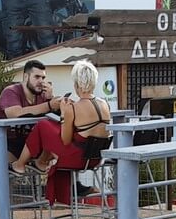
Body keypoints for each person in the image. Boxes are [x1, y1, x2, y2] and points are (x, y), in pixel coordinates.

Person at [10, 59, 111, 206]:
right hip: (96, 159)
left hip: (77, 159)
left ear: (76, 84)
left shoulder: (74, 108)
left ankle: (21, 164)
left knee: (43, 125)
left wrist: (64, 113)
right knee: (50, 127)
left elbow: (65, 139)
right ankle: (41, 162)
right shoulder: (104, 104)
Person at [0, 59, 59, 169]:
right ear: (25, 77)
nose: (41, 81)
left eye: (43, 78)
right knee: (1, 168)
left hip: (29, 143)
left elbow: (55, 119)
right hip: (5, 141)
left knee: (59, 149)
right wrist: (49, 105)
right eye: (37, 77)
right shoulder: (11, 91)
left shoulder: (43, 96)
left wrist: (51, 99)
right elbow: (15, 113)